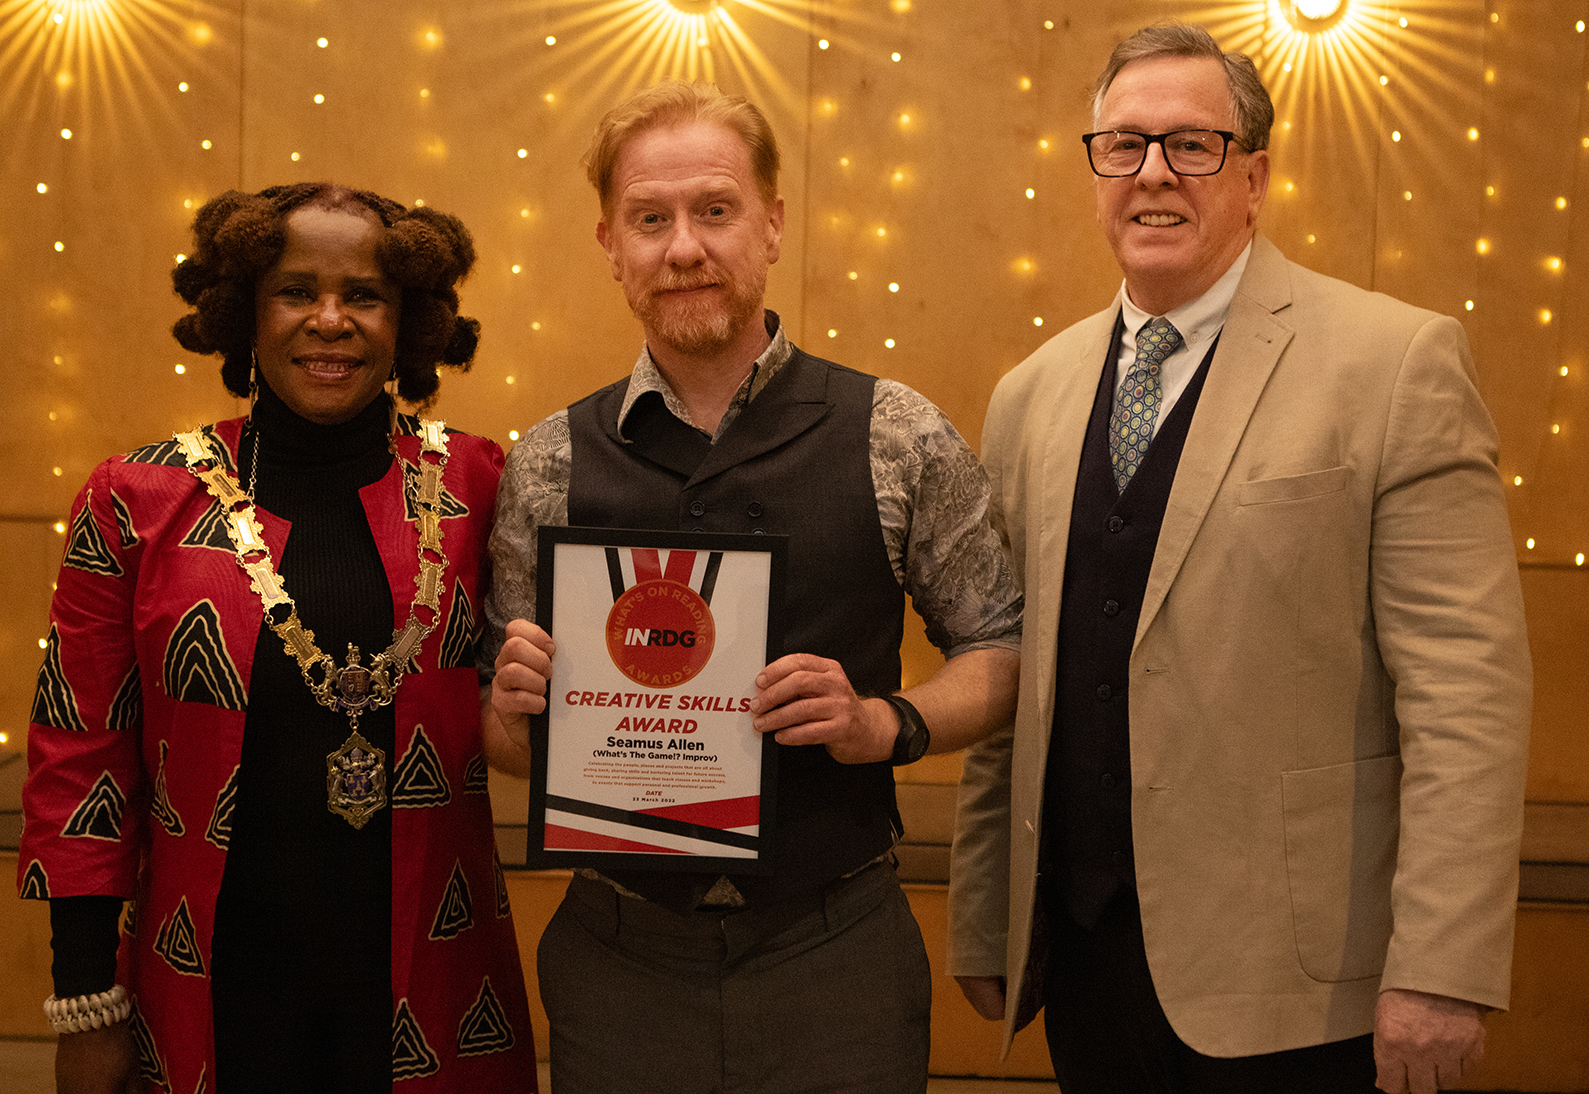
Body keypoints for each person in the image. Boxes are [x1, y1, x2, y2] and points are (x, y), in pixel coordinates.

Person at [947, 23, 1531, 1094]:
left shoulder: (1393, 361)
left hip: (1301, 988)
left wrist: (1440, 969)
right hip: (1085, 963)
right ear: (1095, 173)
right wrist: (989, 913)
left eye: (1191, 144)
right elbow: (1016, 672)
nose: (1152, 173)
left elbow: (1465, 694)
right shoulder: (1030, 393)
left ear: (1253, 178)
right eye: (1122, 145)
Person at [483, 81, 1023, 1093]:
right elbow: (506, 740)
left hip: (837, 952)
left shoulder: (894, 432)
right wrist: (511, 712)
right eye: (650, 219)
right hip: (618, 961)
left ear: (771, 225)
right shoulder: (549, 460)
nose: (683, 247)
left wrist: (885, 721)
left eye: (715, 210)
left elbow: (1003, 647)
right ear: (610, 244)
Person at [19, 183, 537, 1094]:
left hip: (434, 981)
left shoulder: (480, 480)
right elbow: (79, 764)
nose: (330, 321)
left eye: (364, 295)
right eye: (296, 291)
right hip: (212, 983)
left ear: (408, 320)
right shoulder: (134, 498)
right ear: (244, 314)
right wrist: (86, 1003)